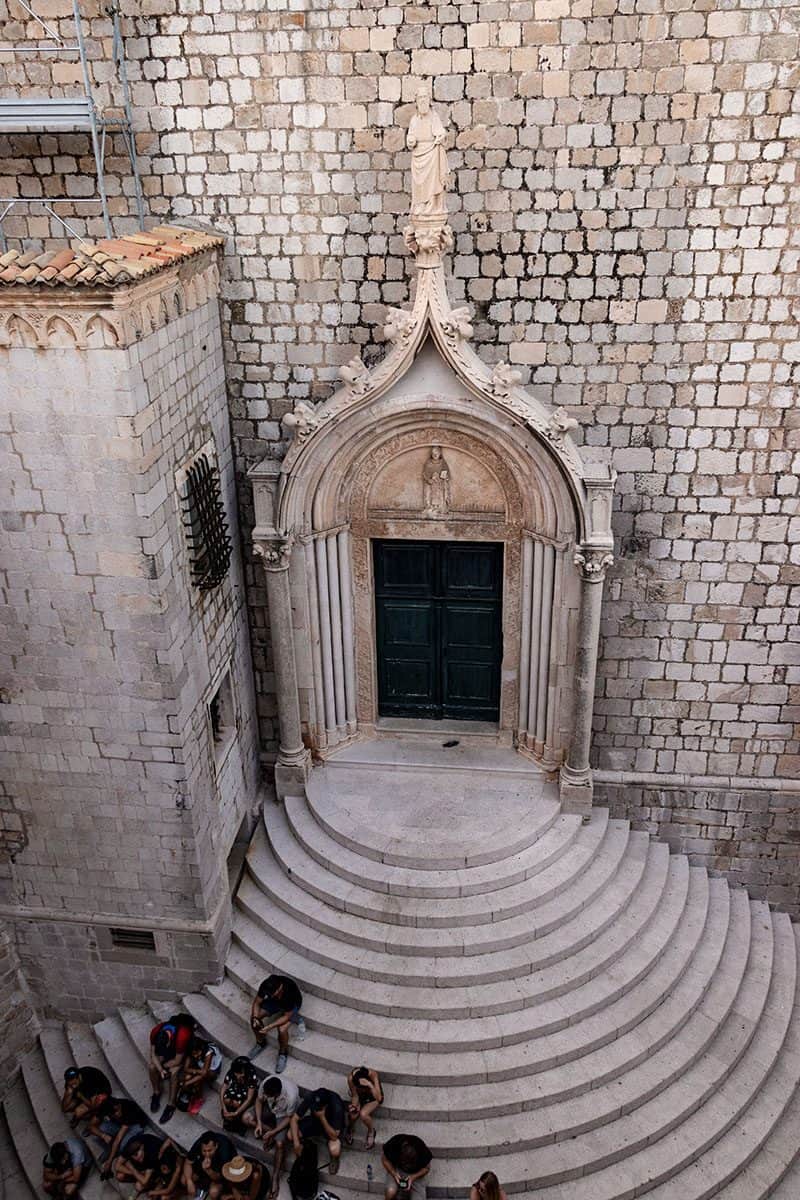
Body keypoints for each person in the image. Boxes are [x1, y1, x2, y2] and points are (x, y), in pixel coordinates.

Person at [253, 1074, 300, 1198]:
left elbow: (289, 1118)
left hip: (283, 1115)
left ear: (276, 1094)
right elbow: (259, 1100)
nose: (265, 1096)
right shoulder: (266, 1084)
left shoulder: (291, 1097)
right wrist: (258, 1123)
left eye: (268, 1096)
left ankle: (275, 1178)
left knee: (280, 1144)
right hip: (271, 1109)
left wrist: (273, 1133)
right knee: (247, 1118)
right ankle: (271, 1133)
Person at [250, 974, 305, 1073]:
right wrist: (255, 1017)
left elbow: (287, 1016)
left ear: (279, 988)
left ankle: (283, 1054)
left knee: (282, 1029)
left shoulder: (289, 990)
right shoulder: (266, 986)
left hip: (292, 1006)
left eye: (273, 993)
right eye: (270, 994)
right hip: (275, 1003)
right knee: (254, 1018)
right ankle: (260, 1043)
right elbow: (257, 1003)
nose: (270, 995)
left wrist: (269, 1027)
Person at [148, 1011, 196, 1125]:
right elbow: (153, 1054)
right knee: (151, 1067)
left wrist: (164, 1068)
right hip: (167, 1051)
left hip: (182, 1052)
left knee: (174, 1072)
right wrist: (160, 1069)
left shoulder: (182, 1036)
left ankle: (171, 1104)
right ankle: (156, 1092)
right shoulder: (155, 1032)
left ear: (169, 1040)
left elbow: (177, 1060)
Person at [289, 1086, 346, 1176]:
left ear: (326, 1106)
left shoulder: (336, 1105)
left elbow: (334, 1136)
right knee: (290, 1135)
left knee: (335, 1150)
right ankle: (304, 1148)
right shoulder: (311, 1096)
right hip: (314, 1122)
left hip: (330, 1126)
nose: (316, 1109)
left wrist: (322, 1117)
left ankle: (334, 1160)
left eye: (319, 1108)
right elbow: (294, 1119)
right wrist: (296, 1144)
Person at [85, 1095, 146, 1177]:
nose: (117, 1114)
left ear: (119, 1105)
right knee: (97, 1135)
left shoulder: (127, 1107)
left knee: (122, 1146)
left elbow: (118, 1139)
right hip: (119, 1125)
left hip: (135, 1125)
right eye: (114, 1114)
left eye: (118, 1110)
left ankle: (114, 1153)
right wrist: (103, 1135)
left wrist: (109, 1162)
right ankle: (109, 1150)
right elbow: (90, 1126)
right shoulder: (105, 1107)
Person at [182, 1129, 236, 1200]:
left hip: (219, 1175)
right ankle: (198, 1193)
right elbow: (188, 1162)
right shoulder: (199, 1144)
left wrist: (208, 1170)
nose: (207, 1154)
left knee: (214, 1192)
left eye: (210, 1150)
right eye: (204, 1151)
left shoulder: (224, 1153)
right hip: (203, 1169)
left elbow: (219, 1178)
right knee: (184, 1180)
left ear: (216, 1146)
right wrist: (189, 1181)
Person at [381, 1133, 433, 1200]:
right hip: (397, 1170)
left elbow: (427, 1168)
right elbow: (384, 1159)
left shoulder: (422, 1149)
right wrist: (394, 1173)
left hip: (416, 1173)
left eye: (410, 1163)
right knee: (390, 1192)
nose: (407, 1166)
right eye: (404, 1162)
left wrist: (413, 1177)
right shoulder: (395, 1143)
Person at [178, 1036, 222, 1112]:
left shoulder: (209, 1053)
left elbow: (205, 1073)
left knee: (197, 1081)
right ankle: (189, 1091)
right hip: (201, 1067)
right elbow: (185, 1068)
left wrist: (187, 1082)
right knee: (188, 1077)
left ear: (201, 1048)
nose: (195, 1055)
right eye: (193, 1054)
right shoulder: (191, 1052)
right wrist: (194, 1072)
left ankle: (199, 1098)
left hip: (212, 1070)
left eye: (197, 1053)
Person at [345, 1065, 383, 1150]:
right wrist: (355, 1106)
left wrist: (370, 1085)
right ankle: (350, 1128)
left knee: (363, 1114)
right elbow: (355, 1095)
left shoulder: (373, 1075)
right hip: (360, 1095)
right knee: (353, 1114)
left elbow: (379, 1099)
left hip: (373, 1094)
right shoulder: (351, 1079)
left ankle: (371, 1131)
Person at [220, 1055, 259, 1134]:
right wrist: (223, 1106)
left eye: (240, 1073)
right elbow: (224, 1087)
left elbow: (249, 1098)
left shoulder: (251, 1075)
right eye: (236, 1073)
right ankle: (230, 1117)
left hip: (246, 1091)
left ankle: (236, 1118)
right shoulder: (232, 1071)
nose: (237, 1076)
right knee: (227, 1100)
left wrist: (236, 1112)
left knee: (236, 1103)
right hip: (236, 1088)